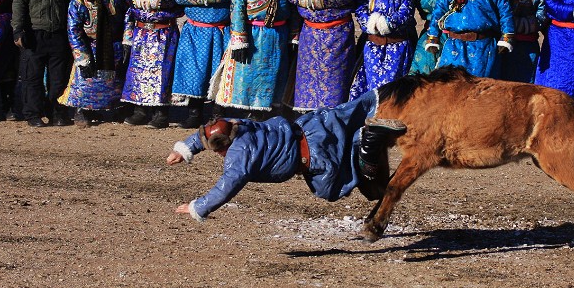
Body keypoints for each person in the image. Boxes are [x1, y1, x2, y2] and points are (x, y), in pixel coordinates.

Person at [167, 89, 407, 220]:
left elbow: (225, 187)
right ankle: (387, 102)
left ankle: (366, 138)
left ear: (223, 148)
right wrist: (185, 149)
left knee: (332, 189)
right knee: (352, 109)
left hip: (317, 158)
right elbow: (210, 131)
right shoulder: (240, 125)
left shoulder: (239, 157)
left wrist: (198, 207)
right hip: (313, 124)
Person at [210, 0, 292, 114]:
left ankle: (263, 113)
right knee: (245, 75)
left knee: (271, 77)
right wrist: (239, 38)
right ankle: (233, 112)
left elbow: (290, 4)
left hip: (277, 36)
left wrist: (293, 33)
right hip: (252, 34)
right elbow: (237, 5)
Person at [172, 0, 237, 128]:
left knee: (219, 71)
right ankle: (194, 112)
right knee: (195, 71)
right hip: (195, 30)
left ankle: (218, 113)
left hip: (220, 29)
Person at [12, 0, 76, 127]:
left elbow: (68, 3)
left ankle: (56, 112)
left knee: (58, 80)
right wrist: (18, 30)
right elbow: (19, 5)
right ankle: (33, 114)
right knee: (33, 78)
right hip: (34, 34)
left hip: (57, 34)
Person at [122, 0, 182, 128]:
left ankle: (161, 112)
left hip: (163, 29)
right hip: (141, 28)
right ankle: (140, 109)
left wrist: (155, 0)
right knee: (139, 70)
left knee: (163, 71)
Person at [57, 0, 127, 126]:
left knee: (112, 82)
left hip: (112, 45)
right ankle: (82, 110)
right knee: (85, 81)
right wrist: (82, 57)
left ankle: (112, 109)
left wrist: (127, 41)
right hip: (89, 46)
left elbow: (127, 17)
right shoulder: (79, 0)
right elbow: (74, 29)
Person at [349, 0, 417, 99]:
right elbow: (360, 7)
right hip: (373, 47)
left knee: (393, 91)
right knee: (372, 88)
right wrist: (370, 23)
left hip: (397, 48)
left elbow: (406, 12)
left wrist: (385, 23)